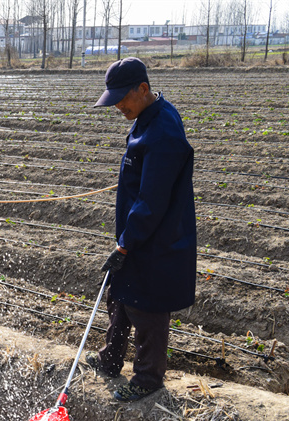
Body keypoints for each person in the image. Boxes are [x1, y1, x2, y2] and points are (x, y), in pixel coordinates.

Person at [88, 57, 196, 402]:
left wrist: (126, 243)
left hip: (154, 235)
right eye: (115, 99)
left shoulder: (162, 130)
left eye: (123, 98)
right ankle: (110, 360)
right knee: (120, 296)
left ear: (143, 89)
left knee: (147, 307)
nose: (119, 106)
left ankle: (148, 379)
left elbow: (153, 199)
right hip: (137, 231)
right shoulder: (146, 117)